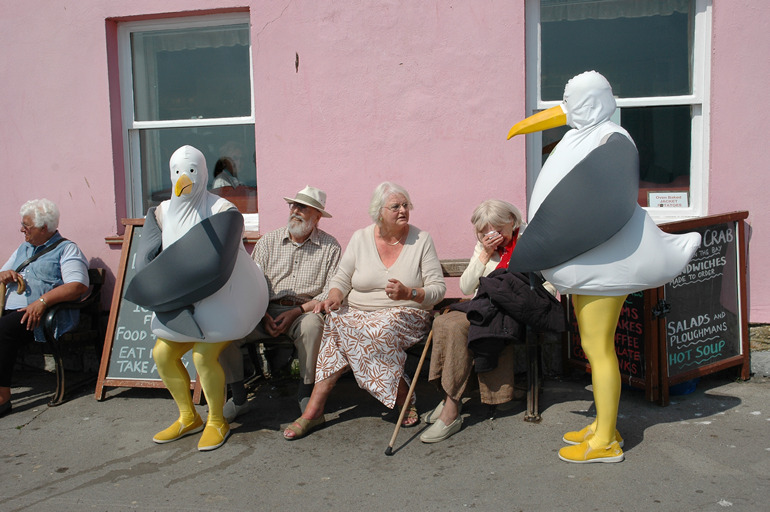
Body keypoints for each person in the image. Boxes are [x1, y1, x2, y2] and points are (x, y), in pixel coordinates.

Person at [124, 145, 268, 451]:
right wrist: (158, 291)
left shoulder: (222, 211)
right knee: (162, 354)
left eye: (190, 172)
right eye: (177, 172)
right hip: (183, 299)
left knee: (203, 355)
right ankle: (188, 417)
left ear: (202, 173)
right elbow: (144, 261)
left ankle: (217, 420)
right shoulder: (161, 212)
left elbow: (216, 263)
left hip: (227, 297)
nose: (183, 179)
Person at [283, 181, 446, 440]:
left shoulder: (421, 240)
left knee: (373, 330)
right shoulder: (360, 238)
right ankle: (317, 409)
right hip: (358, 314)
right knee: (336, 321)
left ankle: (399, 395)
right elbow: (341, 278)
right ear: (379, 211)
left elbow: (438, 289)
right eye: (396, 206)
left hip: (405, 314)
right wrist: (335, 296)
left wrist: (410, 293)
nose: (403, 210)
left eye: (406, 205)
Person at [219, 185, 341, 420]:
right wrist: (261, 313)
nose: (294, 210)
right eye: (293, 205)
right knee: (227, 329)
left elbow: (329, 291)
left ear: (316, 217)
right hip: (263, 308)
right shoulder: (268, 241)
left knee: (313, 325)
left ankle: (305, 394)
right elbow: (251, 284)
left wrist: (296, 312)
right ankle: (239, 398)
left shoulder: (330, 247)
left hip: (304, 311)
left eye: (302, 207)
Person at [420, 199, 527, 443]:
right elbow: (467, 286)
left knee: (458, 326)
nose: (492, 236)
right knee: (442, 323)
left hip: (511, 310)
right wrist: (485, 254)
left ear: (512, 222)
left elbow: (545, 281)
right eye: (484, 232)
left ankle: (450, 410)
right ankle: (449, 394)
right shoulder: (484, 247)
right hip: (483, 306)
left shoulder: (527, 241)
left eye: (498, 231)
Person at [0, 199, 89, 417]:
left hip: (42, 316)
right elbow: (2, 274)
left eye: (26, 225)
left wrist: (42, 302)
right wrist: (5, 275)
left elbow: (77, 285)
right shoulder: (24, 248)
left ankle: (2, 397)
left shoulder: (67, 249)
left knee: (2, 330)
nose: (22, 229)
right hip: (12, 313)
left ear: (44, 228)